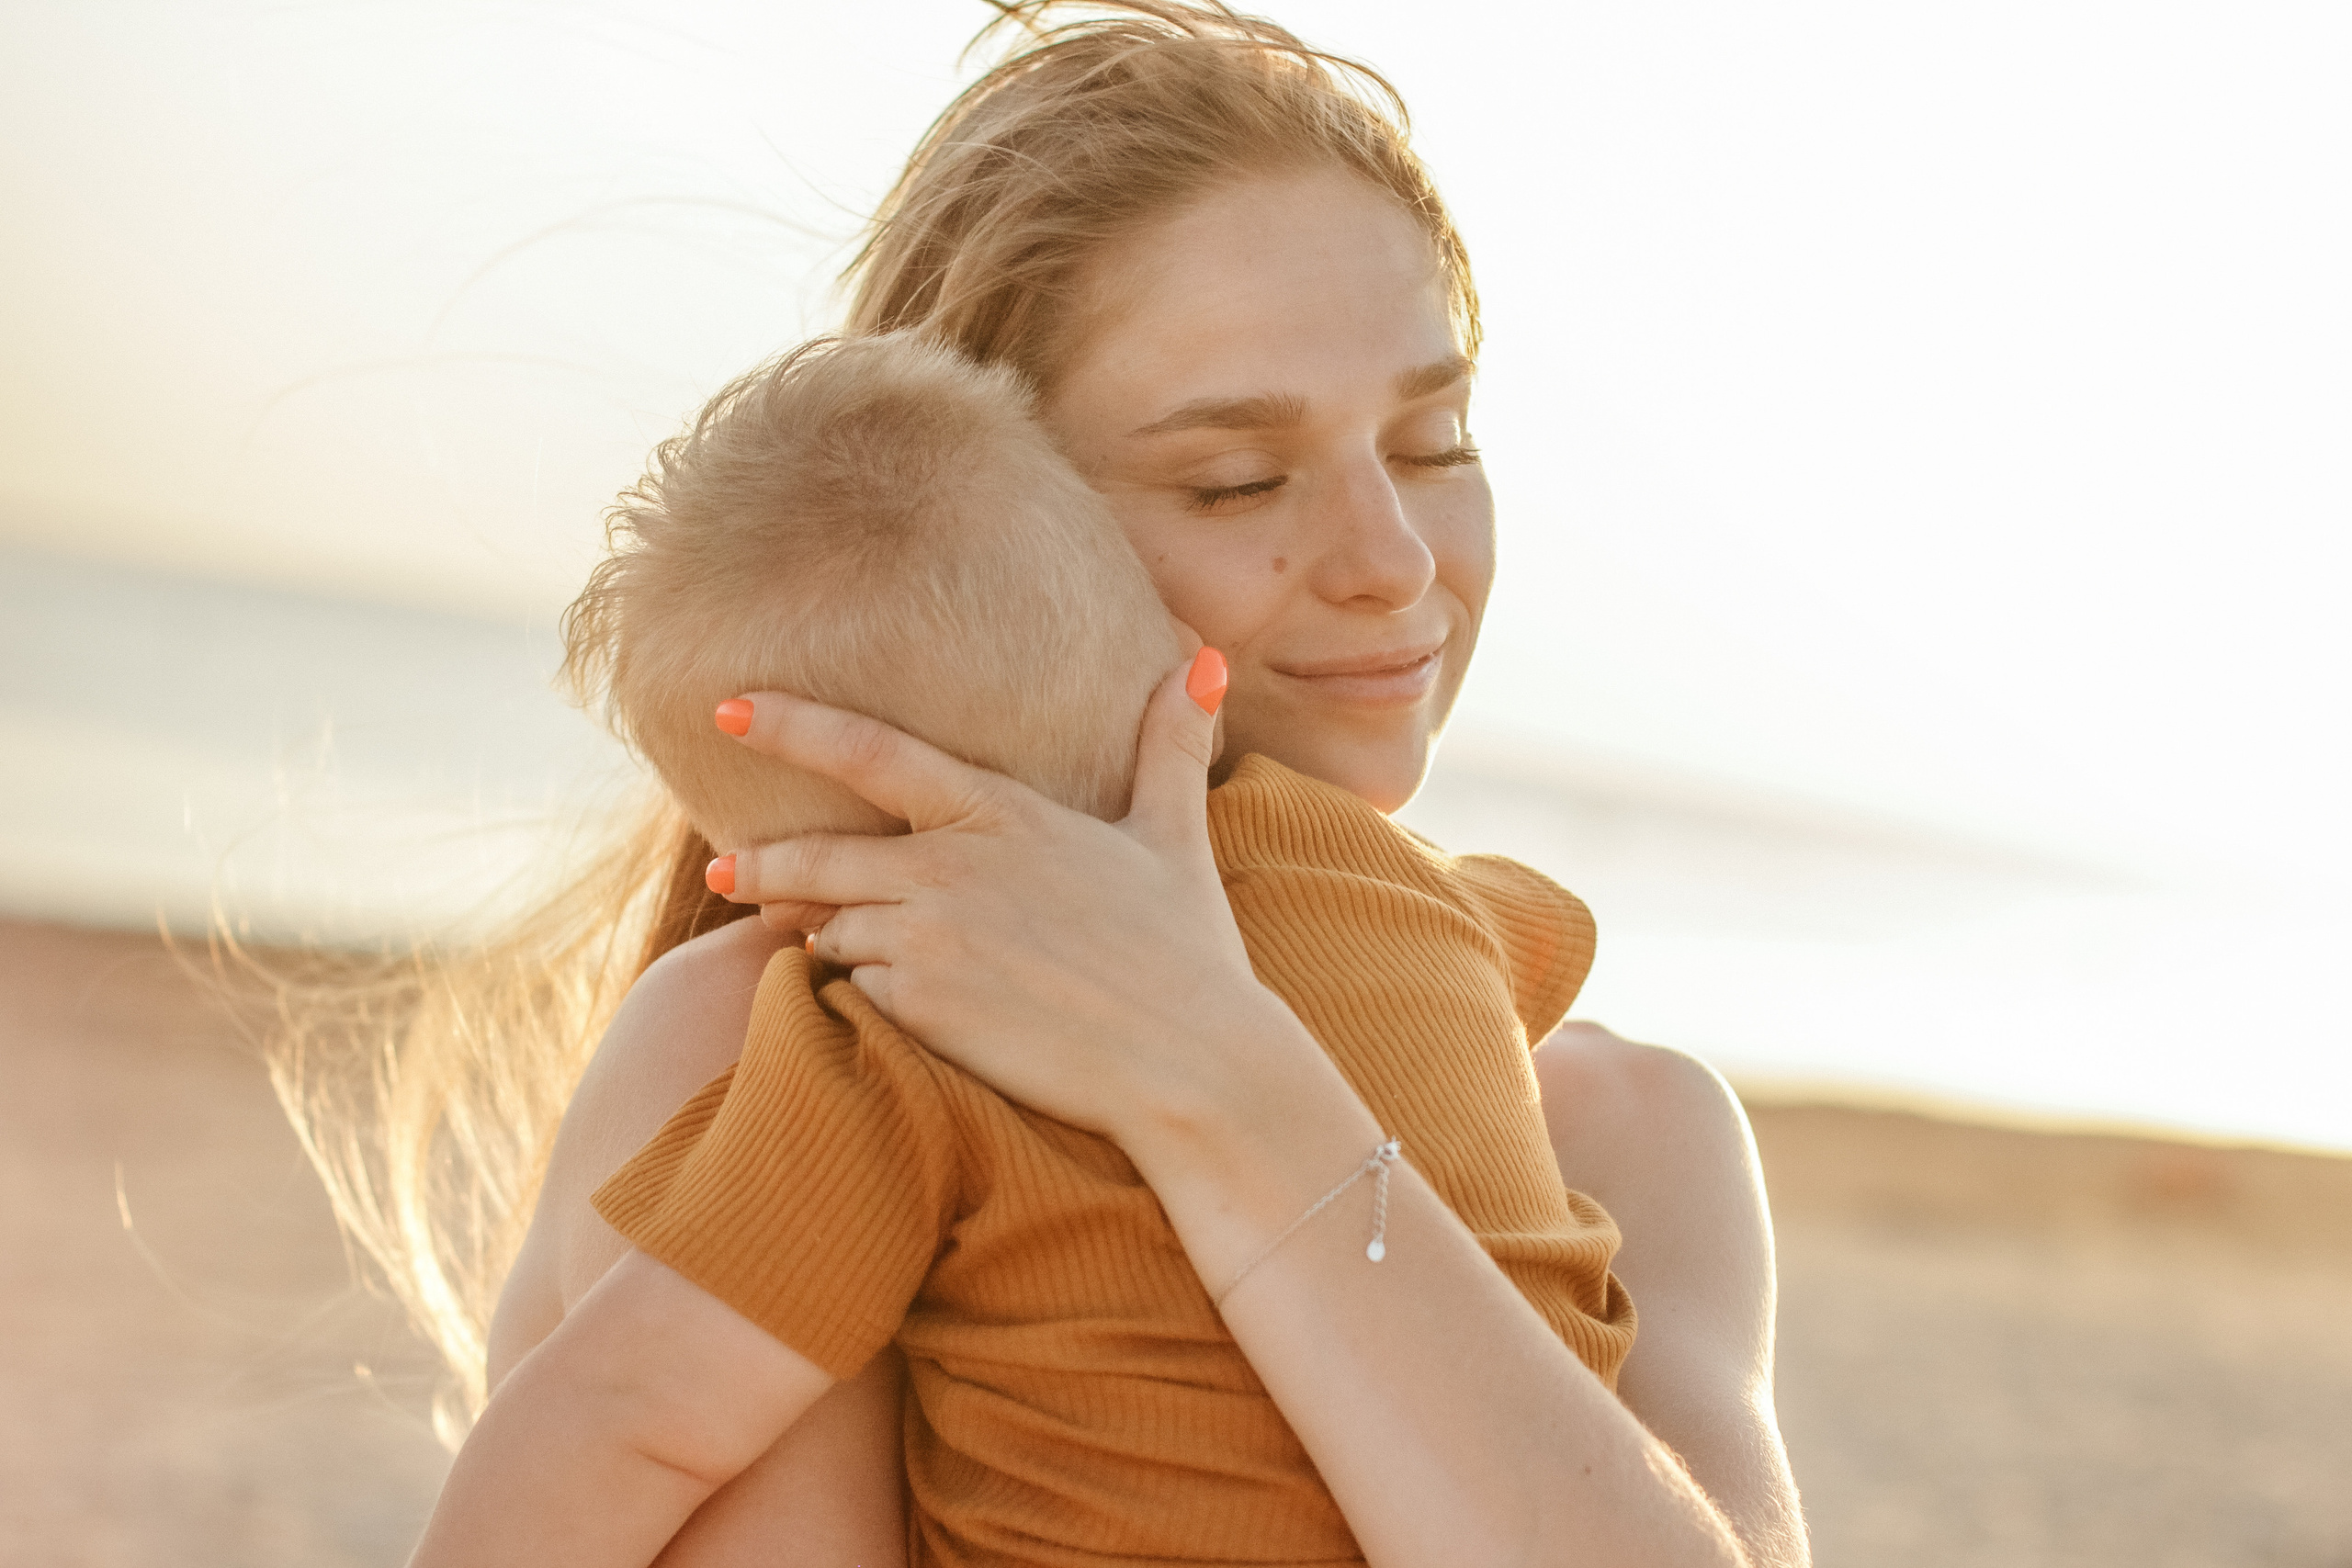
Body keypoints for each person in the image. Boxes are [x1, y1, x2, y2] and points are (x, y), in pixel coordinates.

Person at [266, 6, 1805, 1566]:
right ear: (992, 521)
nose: (1395, 563)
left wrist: (1211, 1067)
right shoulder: (773, 1046)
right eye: (1236, 479)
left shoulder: (1635, 1130)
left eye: (1435, 439)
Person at [413, 325, 1638, 1566]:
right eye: (1231, 483)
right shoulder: (1413, 897)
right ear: (1177, 659)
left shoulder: (886, 1051)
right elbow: (1534, 959)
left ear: (831, 887)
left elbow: (629, 1417)